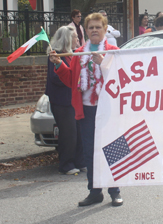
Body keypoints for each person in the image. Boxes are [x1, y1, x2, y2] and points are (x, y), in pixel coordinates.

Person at [49, 12, 123, 207]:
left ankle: (115, 191)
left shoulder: (113, 51)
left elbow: (121, 79)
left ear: (105, 30)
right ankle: (95, 191)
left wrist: (103, 63)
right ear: (86, 31)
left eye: (98, 27)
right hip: (87, 110)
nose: (95, 30)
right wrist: (58, 65)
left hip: (108, 109)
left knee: (112, 149)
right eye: (91, 27)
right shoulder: (79, 53)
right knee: (90, 152)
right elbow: (71, 80)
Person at [45, 26, 85, 175]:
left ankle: (80, 161)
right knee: (69, 133)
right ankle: (66, 164)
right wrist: (73, 77)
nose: (77, 39)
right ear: (67, 38)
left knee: (79, 132)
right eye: (75, 37)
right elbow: (55, 77)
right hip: (62, 101)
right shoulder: (55, 55)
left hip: (72, 100)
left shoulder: (71, 54)